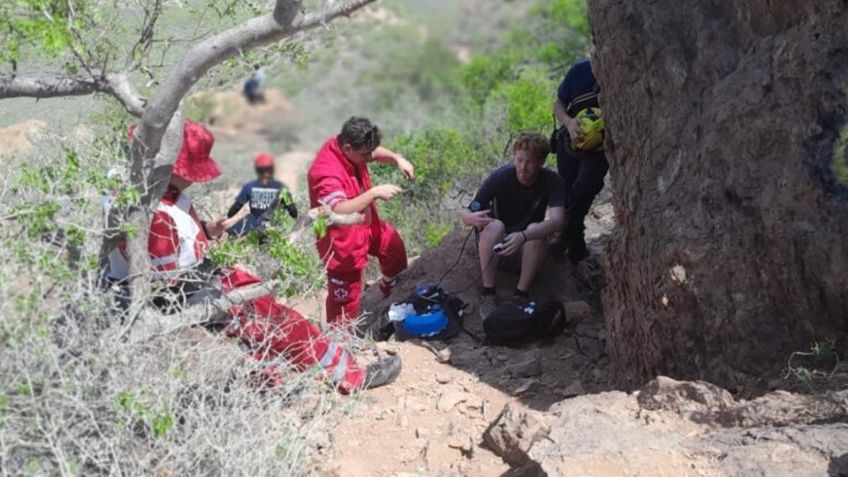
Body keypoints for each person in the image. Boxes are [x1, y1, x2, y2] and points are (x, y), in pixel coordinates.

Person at [108, 121, 401, 392]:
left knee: (269, 318)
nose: (192, 181)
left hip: (200, 283)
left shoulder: (145, 192)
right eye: (190, 173)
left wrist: (207, 230)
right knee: (287, 327)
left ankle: (280, 376)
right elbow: (166, 285)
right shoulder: (154, 214)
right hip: (197, 293)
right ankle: (351, 377)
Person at [307, 117, 414, 327]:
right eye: (365, 155)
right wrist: (374, 193)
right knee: (345, 303)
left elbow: (373, 152)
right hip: (342, 244)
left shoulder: (349, 146)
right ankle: (340, 341)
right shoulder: (325, 172)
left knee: (393, 248)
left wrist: (396, 158)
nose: (369, 158)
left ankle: (390, 290)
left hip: (366, 226)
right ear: (348, 148)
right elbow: (336, 209)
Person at [460, 133, 565, 320]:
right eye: (519, 160)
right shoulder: (501, 176)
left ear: (541, 162)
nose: (523, 167)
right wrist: (471, 218)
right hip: (497, 245)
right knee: (495, 226)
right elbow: (469, 211)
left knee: (537, 231)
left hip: (526, 246)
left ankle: (520, 295)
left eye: (529, 162)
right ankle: (488, 292)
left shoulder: (552, 180)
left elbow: (558, 221)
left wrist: (524, 236)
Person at [550, 57, 609, 264]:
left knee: (584, 187)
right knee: (567, 193)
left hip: (599, 150)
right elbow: (558, 104)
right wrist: (569, 122)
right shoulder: (580, 70)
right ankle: (576, 249)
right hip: (570, 143)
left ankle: (565, 235)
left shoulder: (619, 69)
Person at [227, 152, 297, 237]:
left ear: (257, 170)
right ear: (272, 169)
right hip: (274, 227)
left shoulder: (249, 186)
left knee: (231, 235)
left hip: (253, 224)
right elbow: (293, 211)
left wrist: (228, 216)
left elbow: (236, 207)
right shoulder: (281, 187)